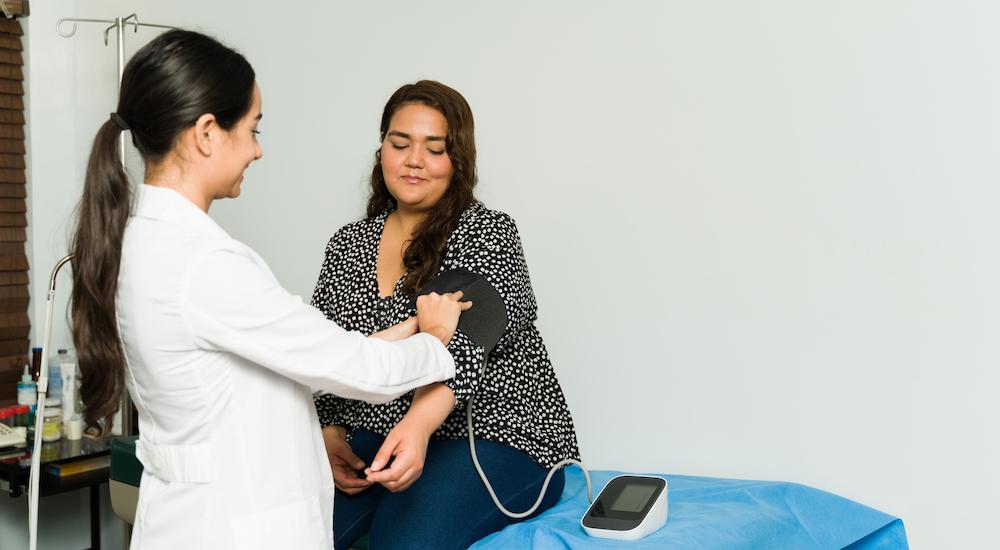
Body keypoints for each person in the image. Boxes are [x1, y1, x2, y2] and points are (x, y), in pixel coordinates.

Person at [69, 31, 469, 550]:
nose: (258, 150)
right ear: (208, 133)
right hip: (235, 524)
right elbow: (354, 369)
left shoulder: (139, 241)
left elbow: (291, 356)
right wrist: (434, 342)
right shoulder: (206, 262)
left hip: (186, 518)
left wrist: (401, 334)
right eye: (253, 129)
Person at [312, 80, 581, 550]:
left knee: (403, 540)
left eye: (434, 149)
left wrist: (417, 425)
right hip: (382, 431)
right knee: (294, 527)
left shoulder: (488, 231)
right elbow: (329, 349)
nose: (414, 160)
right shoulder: (346, 244)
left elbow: (468, 338)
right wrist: (330, 434)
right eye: (400, 144)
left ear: (457, 162)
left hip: (500, 435)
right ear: (382, 153)